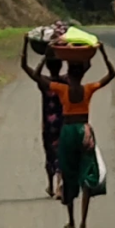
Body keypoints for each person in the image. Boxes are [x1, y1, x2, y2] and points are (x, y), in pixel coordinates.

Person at [21, 36, 115, 228]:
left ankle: (71, 221)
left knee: (68, 173)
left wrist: (45, 56)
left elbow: (35, 75)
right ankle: (83, 224)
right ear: (81, 74)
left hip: (68, 132)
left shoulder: (61, 89)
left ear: (69, 74)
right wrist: (103, 53)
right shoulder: (88, 89)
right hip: (84, 131)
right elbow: (111, 74)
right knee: (87, 174)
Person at [34, 54, 66, 199]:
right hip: (63, 122)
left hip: (48, 125)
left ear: (48, 66)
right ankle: (60, 185)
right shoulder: (65, 81)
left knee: (50, 155)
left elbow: (34, 74)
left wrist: (44, 58)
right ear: (61, 66)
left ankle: (51, 186)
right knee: (62, 154)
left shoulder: (45, 82)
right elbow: (84, 67)